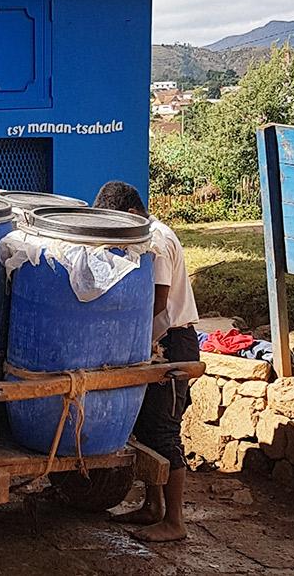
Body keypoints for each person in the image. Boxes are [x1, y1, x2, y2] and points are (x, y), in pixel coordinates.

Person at [93, 180, 199, 543]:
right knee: (144, 429)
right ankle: (152, 507)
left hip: (172, 344)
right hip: (153, 341)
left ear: (128, 212)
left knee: (163, 432)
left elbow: (156, 301)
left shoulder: (155, 240)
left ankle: (175, 521)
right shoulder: (145, 236)